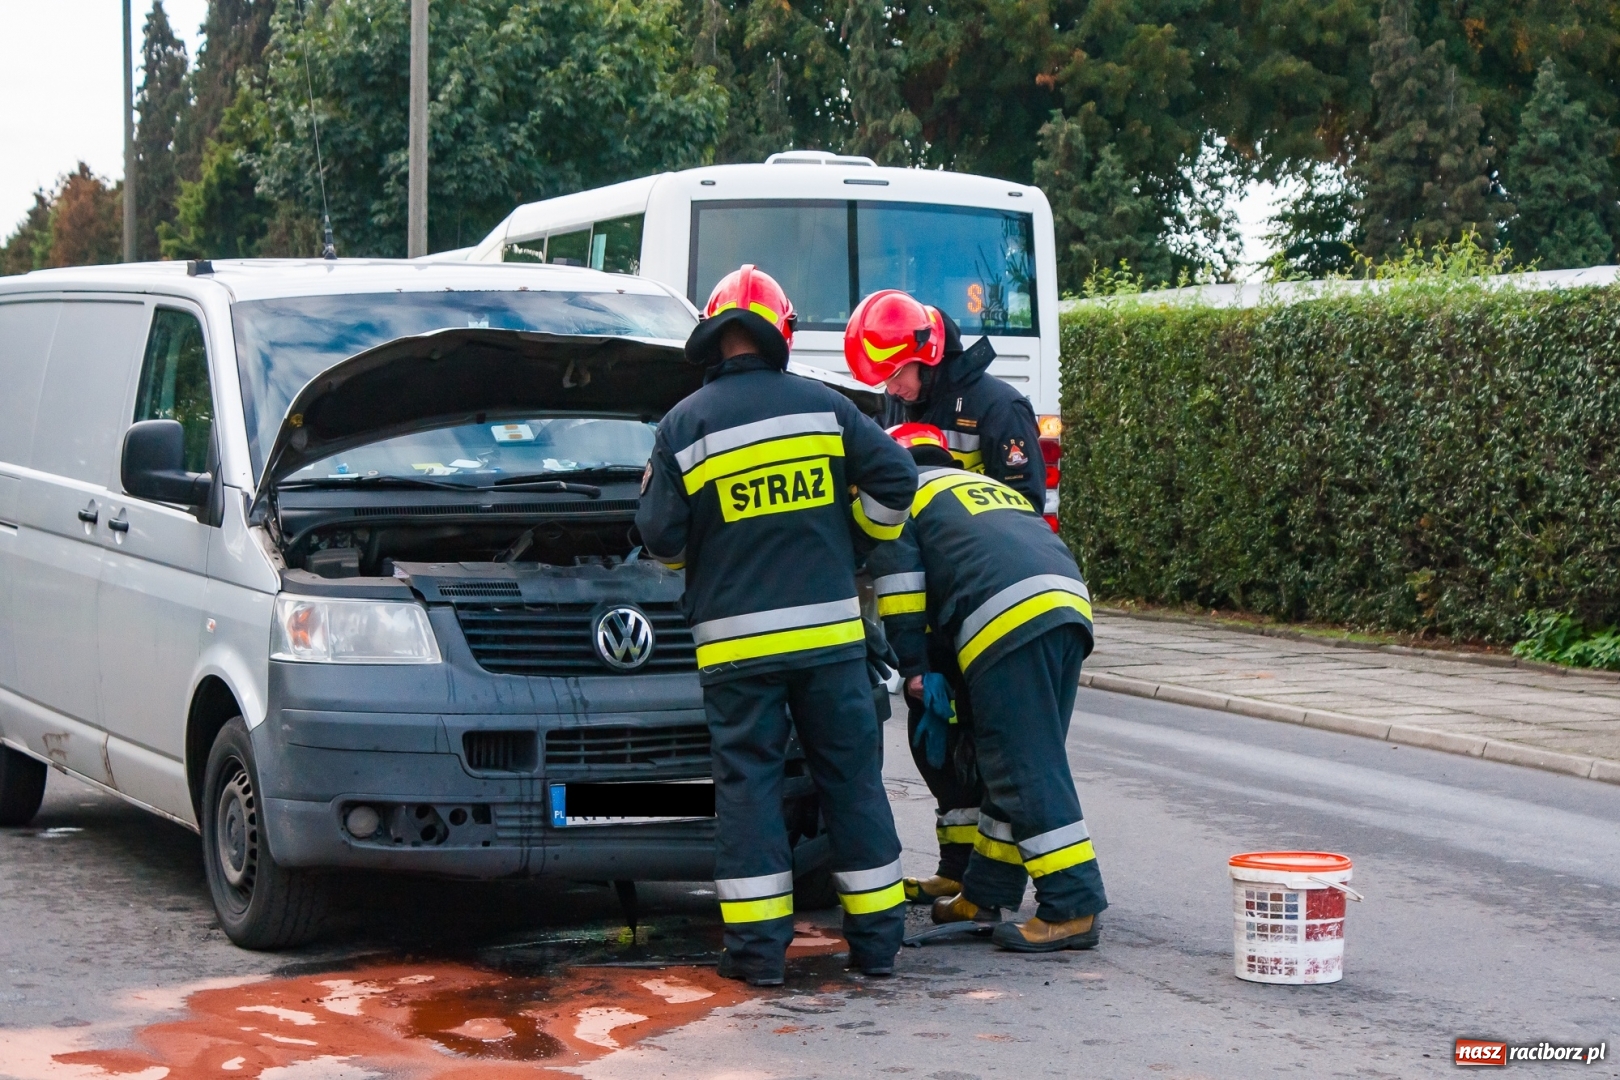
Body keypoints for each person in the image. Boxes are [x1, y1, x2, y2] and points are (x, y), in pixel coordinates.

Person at [636, 264, 919, 985]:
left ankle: (759, 958)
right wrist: (852, 541)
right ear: (782, 334)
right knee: (851, 781)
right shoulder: (825, 407)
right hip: (829, 642)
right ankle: (879, 948)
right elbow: (896, 480)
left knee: (749, 789)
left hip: (736, 653)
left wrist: (704, 564)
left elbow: (661, 540)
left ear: (712, 337)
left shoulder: (682, 425)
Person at [865, 420, 1108, 952]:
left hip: (1006, 621)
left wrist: (914, 668)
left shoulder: (898, 496)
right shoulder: (983, 487)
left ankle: (1073, 904)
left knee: (1024, 766)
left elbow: (901, 587)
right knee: (1013, 762)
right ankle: (985, 891)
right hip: (1066, 608)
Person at [842, 291, 982, 904]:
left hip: (970, 621)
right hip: (955, 621)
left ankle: (988, 881)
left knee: (981, 754)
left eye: (895, 373)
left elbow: (898, 580)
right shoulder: (907, 423)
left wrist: (918, 669)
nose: (890, 388)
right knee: (942, 755)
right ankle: (959, 869)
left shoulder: (992, 406)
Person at [851, 291, 1045, 513]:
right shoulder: (890, 404)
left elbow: (1025, 509)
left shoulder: (1001, 408)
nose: (892, 389)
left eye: (896, 374)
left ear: (927, 359)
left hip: (972, 544)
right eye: (883, 379)